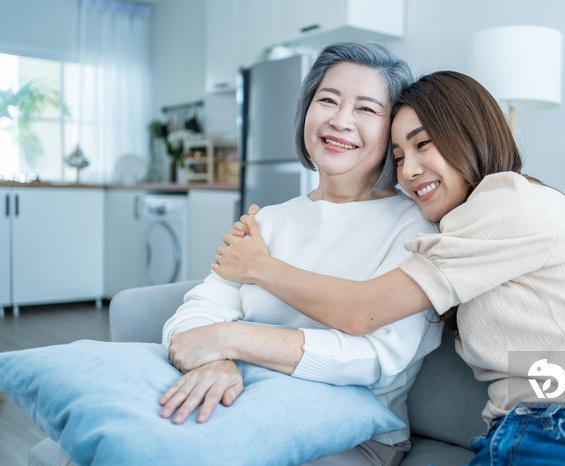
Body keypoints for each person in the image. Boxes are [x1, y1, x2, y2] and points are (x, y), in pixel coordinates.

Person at [214, 71, 565, 465]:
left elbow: (361, 312)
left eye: (424, 145)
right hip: (520, 431)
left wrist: (258, 267)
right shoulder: (459, 232)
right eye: (397, 157)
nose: (409, 170)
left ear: (469, 135)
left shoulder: (509, 199)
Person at [160, 42, 442, 466]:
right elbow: (196, 313)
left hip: (350, 434)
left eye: (367, 109)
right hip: (240, 402)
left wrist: (230, 339)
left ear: (394, 130)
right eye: (327, 99)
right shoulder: (267, 221)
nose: (340, 119)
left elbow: (374, 359)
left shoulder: (413, 228)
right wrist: (212, 364)